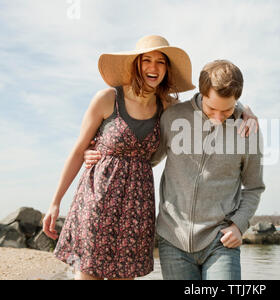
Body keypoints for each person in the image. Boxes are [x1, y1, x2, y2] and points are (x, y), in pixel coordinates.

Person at [43, 35, 258, 280]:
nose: (153, 68)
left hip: (137, 207)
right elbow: (78, 150)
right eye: (147, 60)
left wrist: (244, 110)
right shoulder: (107, 99)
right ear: (136, 64)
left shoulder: (167, 107)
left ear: (167, 69)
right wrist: (55, 201)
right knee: (88, 274)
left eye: (161, 62)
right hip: (98, 199)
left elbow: (208, 102)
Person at [86, 59, 265, 280]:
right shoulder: (173, 117)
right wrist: (102, 152)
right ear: (201, 94)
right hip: (173, 239)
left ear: (237, 101)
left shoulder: (248, 131)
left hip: (220, 240)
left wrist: (239, 225)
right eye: (212, 109)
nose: (219, 118)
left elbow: (254, 186)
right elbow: (144, 159)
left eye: (227, 110)